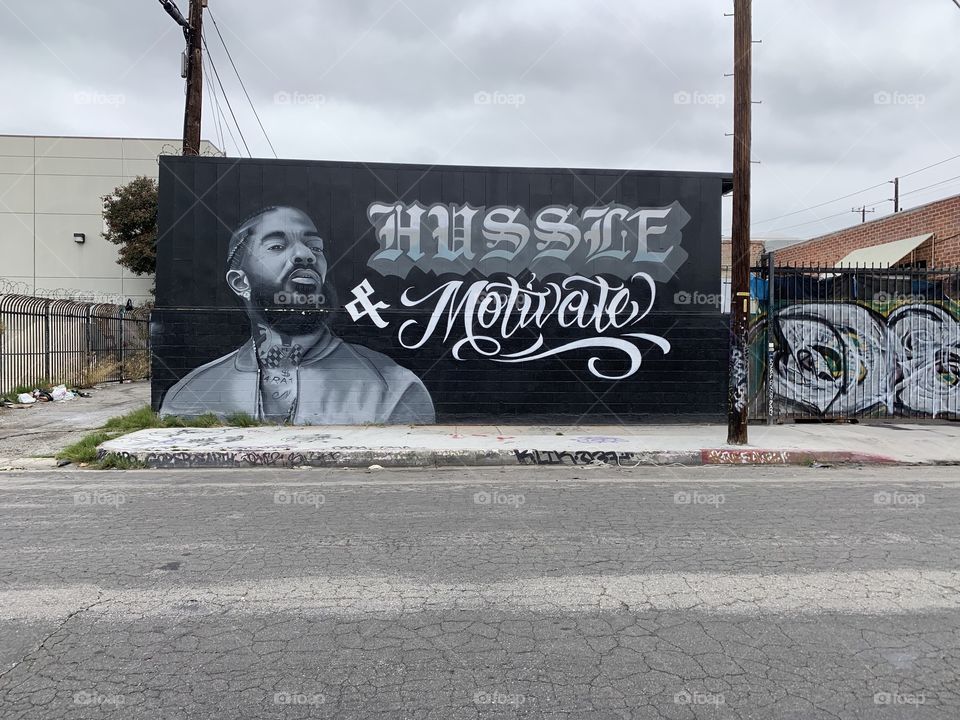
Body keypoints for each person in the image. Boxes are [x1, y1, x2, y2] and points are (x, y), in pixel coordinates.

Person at [160, 206, 435, 424]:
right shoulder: (189, 396)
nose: (305, 255)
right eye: (277, 246)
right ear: (240, 282)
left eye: (315, 247)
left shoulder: (393, 390)